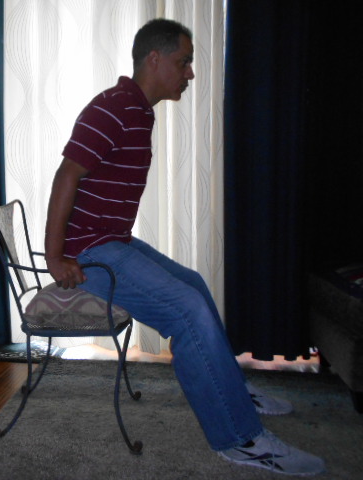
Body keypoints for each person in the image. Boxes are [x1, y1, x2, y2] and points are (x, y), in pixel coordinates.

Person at [44, 18, 325, 476]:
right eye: (184, 61)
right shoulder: (114, 106)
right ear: (154, 60)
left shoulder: (139, 109)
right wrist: (56, 257)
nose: (189, 73)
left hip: (112, 241)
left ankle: (228, 387)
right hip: (91, 254)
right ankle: (240, 438)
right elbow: (67, 174)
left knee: (193, 283)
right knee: (187, 310)